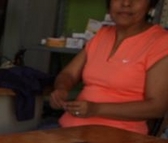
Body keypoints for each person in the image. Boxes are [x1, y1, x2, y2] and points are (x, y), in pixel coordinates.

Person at [49, 0, 168, 135]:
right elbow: (69, 74)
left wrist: (96, 109)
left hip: (119, 137)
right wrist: (61, 89)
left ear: (150, 5)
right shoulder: (102, 34)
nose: (126, 3)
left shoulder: (161, 42)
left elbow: (156, 107)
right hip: (70, 128)